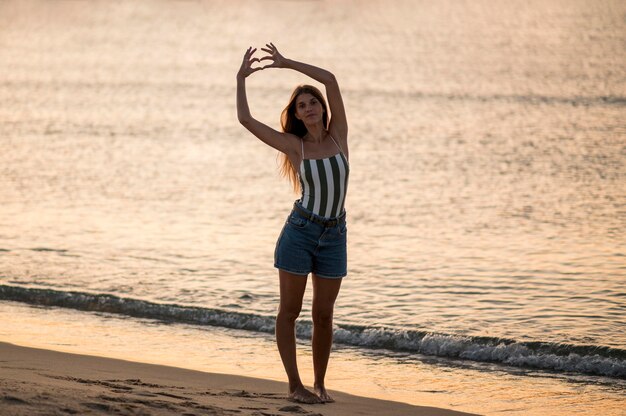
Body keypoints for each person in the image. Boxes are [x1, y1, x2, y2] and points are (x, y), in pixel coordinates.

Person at [236, 43, 349, 404]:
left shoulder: (338, 137)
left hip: (335, 234)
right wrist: (241, 79)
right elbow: (246, 120)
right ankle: (294, 386)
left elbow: (330, 79)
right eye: (301, 106)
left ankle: (319, 384)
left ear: (321, 107)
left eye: (312, 102)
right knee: (290, 311)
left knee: (324, 315)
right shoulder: (293, 146)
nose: (308, 108)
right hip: (300, 233)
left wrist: (286, 64)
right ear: (297, 115)